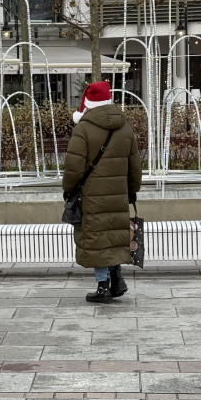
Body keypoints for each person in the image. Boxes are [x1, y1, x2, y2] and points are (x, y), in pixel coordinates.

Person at [62, 81, 142, 303]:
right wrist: (132, 190)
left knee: (97, 237)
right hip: (117, 195)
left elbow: (73, 167)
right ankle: (116, 277)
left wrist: (68, 189)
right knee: (113, 235)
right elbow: (134, 165)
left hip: (92, 196)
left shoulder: (83, 129)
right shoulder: (125, 128)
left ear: (88, 103)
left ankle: (102, 287)